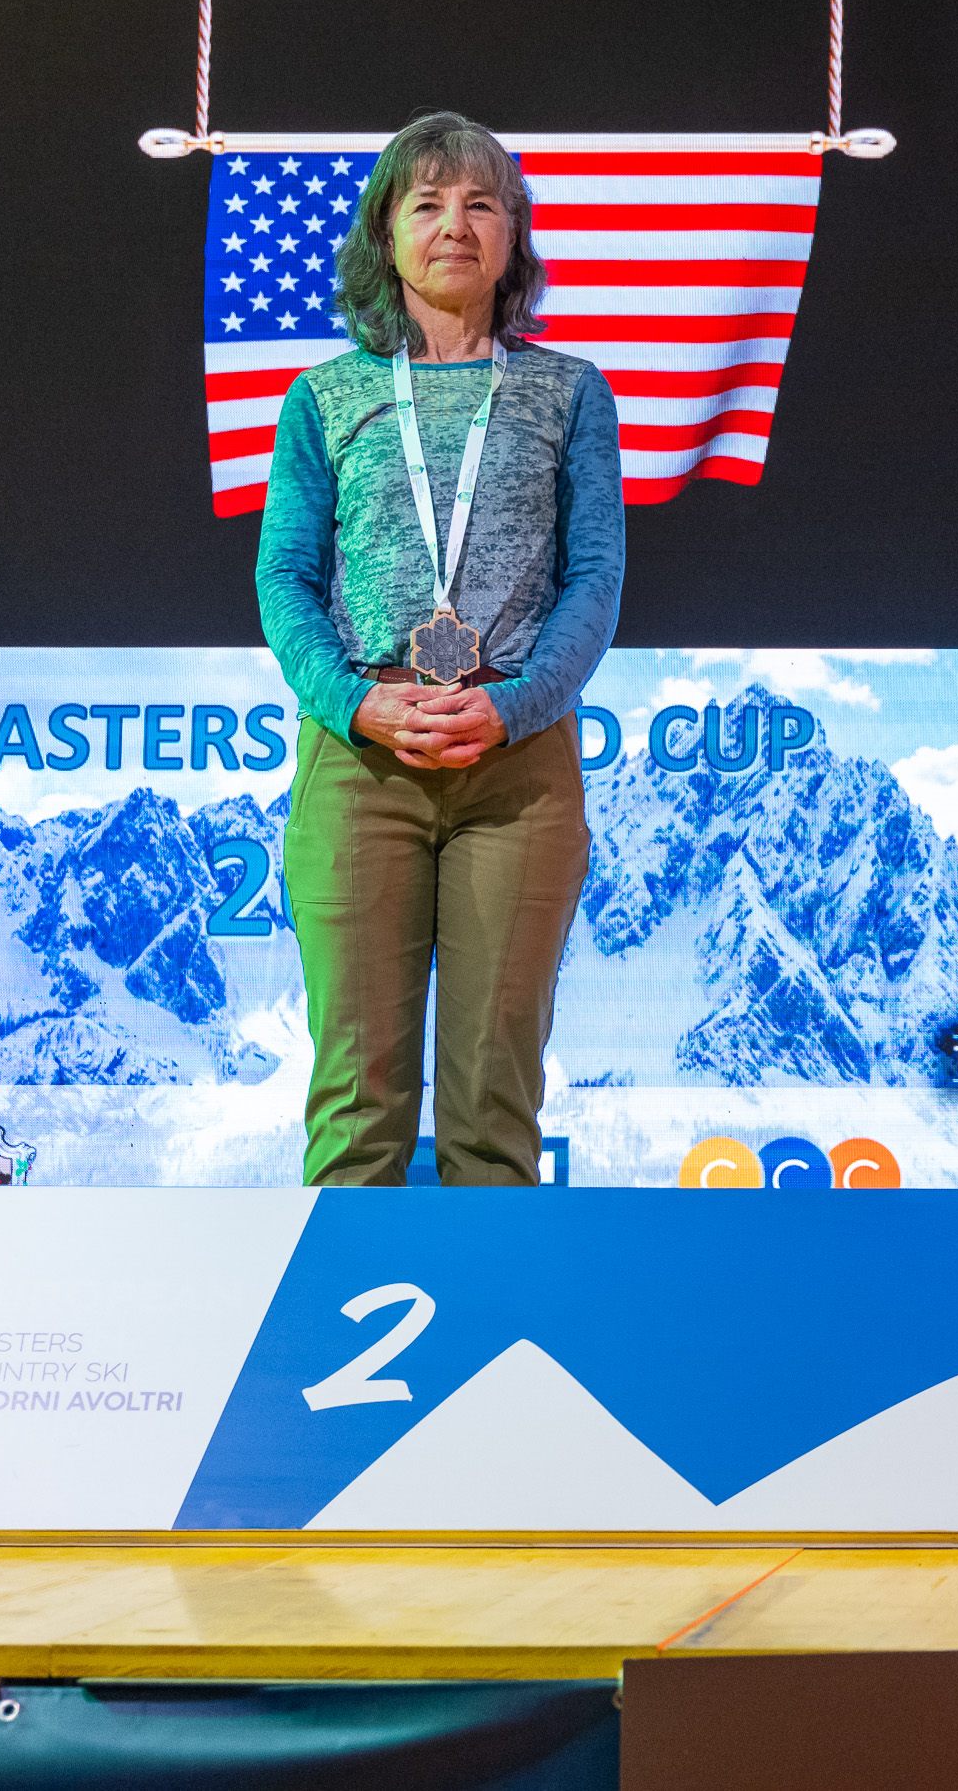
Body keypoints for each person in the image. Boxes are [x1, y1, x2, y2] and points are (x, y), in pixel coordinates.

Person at [258, 111, 623, 1187]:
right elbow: (285, 577)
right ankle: (344, 1305)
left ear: (514, 236)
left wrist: (515, 707)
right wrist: (352, 702)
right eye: (426, 203)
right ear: (386, 234)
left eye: (481, 203)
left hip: (518, 764)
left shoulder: (570, 392)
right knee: (356, 1106)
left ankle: (490, 1303)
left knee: (494, 1108)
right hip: (359, 759)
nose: (454, 224)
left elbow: (595, 579)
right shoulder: (324, 396)